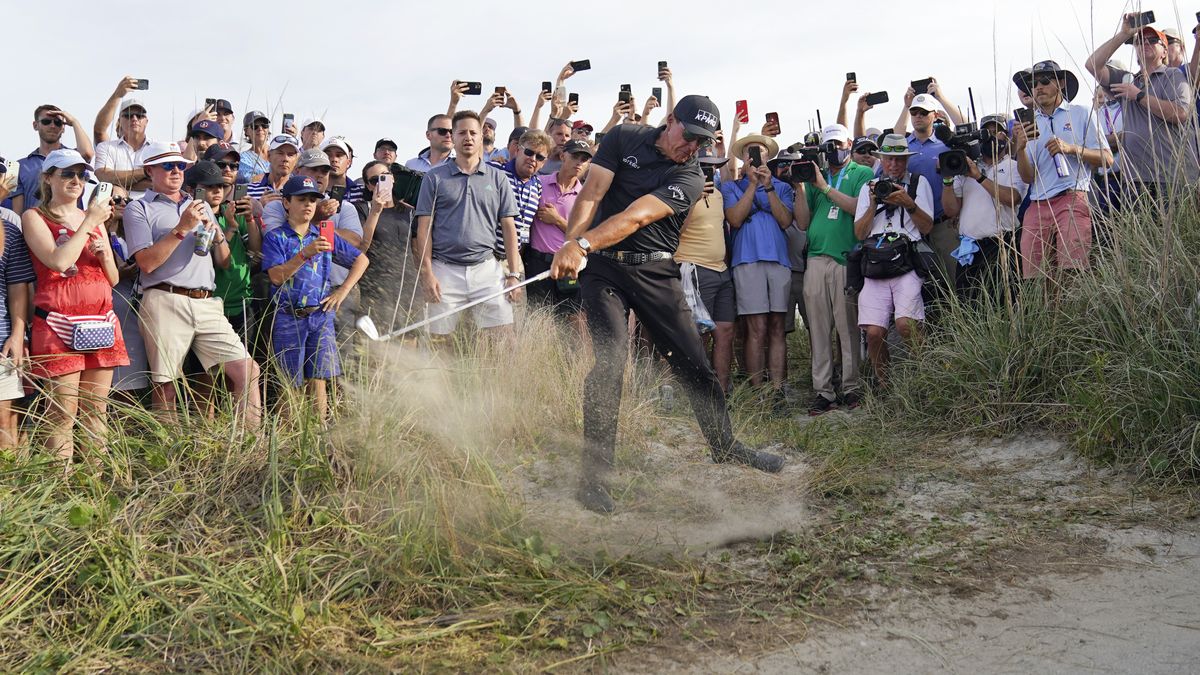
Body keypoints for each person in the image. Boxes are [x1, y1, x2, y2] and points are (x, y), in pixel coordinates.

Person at [549, 95, 785, 514]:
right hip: (603, 269)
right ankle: (594, 478)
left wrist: (581, 242)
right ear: (670, 121)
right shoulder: (623, 137)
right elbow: (593, 191)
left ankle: (724, 445)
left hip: (655, 272)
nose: (692, 147)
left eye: (702, 142)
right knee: (609, 363)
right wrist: (572, 242)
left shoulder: (691, 176)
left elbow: (638, 216)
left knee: (695, 365)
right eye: (688, 136)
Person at [122, 142, 262, 425]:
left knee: (247, 370)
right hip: (164, 297)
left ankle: (251, 452)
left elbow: (223, 261)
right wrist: (182, 228)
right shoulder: (138, 208)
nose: (176, 170)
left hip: (207, 301)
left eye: (180, 165)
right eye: (167, 165)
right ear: (150, 170)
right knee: (166, 386)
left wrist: (220, 233)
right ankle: (169, 460)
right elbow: (146, 263)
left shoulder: (198, 205)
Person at [21, 149, 128, 463]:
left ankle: (96, 485)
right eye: (67, 173)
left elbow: (112, 279)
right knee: (62, 414)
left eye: (81, 175)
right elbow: (57, 260)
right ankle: (62, 488)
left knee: (97, 412)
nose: (76, 180)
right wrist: (90, 223)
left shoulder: (92, 218)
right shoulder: (34, 216)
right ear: (48, 178)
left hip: (100, 322)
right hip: (58, 325)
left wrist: (106, 254)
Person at [262, 175, 369, 420]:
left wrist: (342, 292)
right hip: (289, 316)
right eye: (302, 199)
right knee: (290, 382)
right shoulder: (276, 237)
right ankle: (289, 438)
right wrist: (304, 254)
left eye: (313, 199)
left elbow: (362, 260)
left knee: (318, 378)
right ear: (287, 203)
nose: (308, 205)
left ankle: (318, 435)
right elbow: (277, 276)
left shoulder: (324, 236)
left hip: (320, 316)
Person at [414, 110, 522, 340]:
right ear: (452, 137)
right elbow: (424, 229)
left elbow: (509, 228)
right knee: (438, 341)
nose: (468, 137)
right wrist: (427, 273)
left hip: (486, 268)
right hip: (444, 269)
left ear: (481, 137)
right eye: (462, 132)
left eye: (474, 132)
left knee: (503, 337)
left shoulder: (498, 178)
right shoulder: (434, 178)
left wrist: (513, 274)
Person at [793, 124, 875, 414]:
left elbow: (858, 208)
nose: (833, 150)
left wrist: (824, 187)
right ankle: (823, 391)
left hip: (845, 258)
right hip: (815, 258)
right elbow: (802, 222)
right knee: (818, 328)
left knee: (847, 327)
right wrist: (800, 188)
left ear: (848, 144)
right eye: (829, 146)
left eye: (838, 144)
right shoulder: (818, 176)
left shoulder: (862, 173)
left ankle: (851, 387)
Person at [1010, 61, 1112, 281]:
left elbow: (1107, 158)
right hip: (1037, 204)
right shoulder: (1028, 124)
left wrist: (1071, 148)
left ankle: (1074, 315)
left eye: (1045, 81)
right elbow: (1028, 177)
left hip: (1072, 197)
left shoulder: (1081, 112)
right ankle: (1046, 316)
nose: (1038, 87)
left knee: (1072, 272)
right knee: (1034, 279)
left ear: (1062, 83)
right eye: (1033, 84)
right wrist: (1019, 149)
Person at [852, 134, 934, 387]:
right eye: (889, 159)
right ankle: (885, 385)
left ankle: (926, 378)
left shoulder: (918, 183)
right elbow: (859, 233)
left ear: (906, 161)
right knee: (874, 331)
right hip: (876, 261)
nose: (894, 165)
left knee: (906, 325)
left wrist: (909, 204)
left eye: (899, 160)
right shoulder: (870, 188)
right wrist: (873, 204)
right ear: (881, 160)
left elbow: (927, 227)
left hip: (905, 260)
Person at [1086, 21, 1198, 202]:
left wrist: (1139, 96)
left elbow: (1180, 114)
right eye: (1139, 41)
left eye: (1153, 40)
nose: (1145, 43)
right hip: (1136, 180)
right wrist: (1124, 34)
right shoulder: (1126, 79)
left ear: (1164, 51)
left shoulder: (1174, 75)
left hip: (1173, 177)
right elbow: (1092, 65)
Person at [721, 133, 793, 399]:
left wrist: (769, 186)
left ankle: (777, 389)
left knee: (776, 326)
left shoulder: (783, 187)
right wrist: (752, 185)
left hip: (778, 260)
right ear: (743, 158)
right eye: (751, 151)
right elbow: (735, 219)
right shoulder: (730, 187)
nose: (756, 155)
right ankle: (758, 391)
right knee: (756, 328)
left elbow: (786, 221)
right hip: (746, 261)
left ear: (768, 156)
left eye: (761, 151)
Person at [941, 114, 1026, 304]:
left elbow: (1012, 198)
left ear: (1007, 136)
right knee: (970, 305)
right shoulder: (966, 168)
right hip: (970, 250)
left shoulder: (1013, 166)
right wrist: (947, 178)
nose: (993, 137)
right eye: (987, 133)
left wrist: (979, 177)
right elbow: (951, 211)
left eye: (998, 132)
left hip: (1002, 245)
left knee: (1005, 302)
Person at [675, 152, 734, 392]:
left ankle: (718, 391)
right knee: (699, 334)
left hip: (721, 271)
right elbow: (673, 231)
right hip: (693, 267)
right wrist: (694, 198)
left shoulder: (719, 194)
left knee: (726, 331)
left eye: (714, 167)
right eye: (704, 167)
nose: (710, 172)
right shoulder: (681, 191)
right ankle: (695, 391)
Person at [526, 139, 592, 323]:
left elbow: (586, 236)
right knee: (537, 318)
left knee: (572, 318)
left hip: (569, 265)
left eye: (585, 159)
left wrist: (557, 220)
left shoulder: (587, 196)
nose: (579, 163)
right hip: (537, 262)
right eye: (575, 156)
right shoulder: (538, 183)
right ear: (563, 156)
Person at [103, 184, 151, 397]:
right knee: (111, 380)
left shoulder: (134, 233)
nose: (122, 204)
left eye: (127, 200)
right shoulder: (95, 232)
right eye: (116, 199)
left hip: (134, 309)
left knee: (134, 377)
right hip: (109, 309)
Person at [10, 104, 94, 213]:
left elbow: (87, 153)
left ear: (63, 128)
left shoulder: (74, 158)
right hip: (34, 225)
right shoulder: (18, 166)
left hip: (71, 226)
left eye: (58, 122)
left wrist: (74, 122)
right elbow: (17, 212)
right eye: (46, 122)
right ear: (35, 125)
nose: (53, 126)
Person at [0, 198, 35, 446]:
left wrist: (18, 333)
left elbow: (17, 286)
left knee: (5, 419)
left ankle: (9, 484)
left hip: (2, 337)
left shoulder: (9, 227)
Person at [94, 99, 153, 198]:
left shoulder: (158, 148)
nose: (134, 119)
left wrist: (116, 182)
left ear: (146, 121)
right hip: (116, 208)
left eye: (139, 115)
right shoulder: (106, 147)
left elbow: (160, 182)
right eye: (128, 115)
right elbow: (103, 177)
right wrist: (146, 172)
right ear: (119, 121)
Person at [247, 134, 301, 200]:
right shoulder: (248, 190)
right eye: (280, 153)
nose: (285, 159)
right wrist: (260, 206)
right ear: (269, 156)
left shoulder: (300, 192)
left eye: (290, 155)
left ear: (296, 161)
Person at [321, 136, 364, 203]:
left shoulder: (362, 192)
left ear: (348, 162)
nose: (334, 159)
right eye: (328, 155)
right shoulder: (311, 191)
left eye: (339, 155)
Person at [238, 111, 272, 182]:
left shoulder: (279, 151)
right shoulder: (243, 158)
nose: (260, 129)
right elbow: (248, 179)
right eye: (255, 126)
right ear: (246, 131)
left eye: (264, 126)